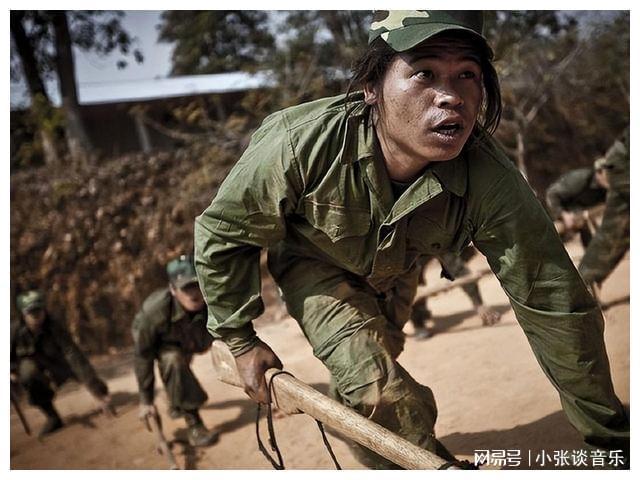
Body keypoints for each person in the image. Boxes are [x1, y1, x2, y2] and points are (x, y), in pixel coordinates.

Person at [194, 11, 629, 468]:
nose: (450, 96)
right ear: (371, 86)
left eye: (467, 74)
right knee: (380, 387)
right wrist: (240, 339)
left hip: (398, 274)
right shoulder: (299, 144)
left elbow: (554, 304)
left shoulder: (489, 179)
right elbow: (225, 232)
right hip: (315, 269)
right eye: (423, 73)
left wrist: (612, 444)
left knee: (367, 379)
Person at [132, 254, 219, 447]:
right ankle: (194, 424)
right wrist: (146, 400)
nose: (194, 293)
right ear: (172, 289)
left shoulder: (213, 297)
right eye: (186, 287)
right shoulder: (154, 313)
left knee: (180, 365)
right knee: (173, 361)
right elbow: (143, 355)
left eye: (197, 284)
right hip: (160, 343)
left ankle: (176, 397)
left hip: (190, 340)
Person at [10, 290, 112, 436]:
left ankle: (103, 396)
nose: (37, 315)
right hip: (35, 367)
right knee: (27, 374)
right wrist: (11, 370)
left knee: (84, 374)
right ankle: (52, 417)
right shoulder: (13, 332)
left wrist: (97, 392)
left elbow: (74, 356)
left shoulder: (54, 326)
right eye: (31, 312)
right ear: (23, 315)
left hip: (58, 363)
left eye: (39, 310)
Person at [411, 248, 501, 339]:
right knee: (411, 277)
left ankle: (479, 304)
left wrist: (479, 304)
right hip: (408, 245)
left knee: (457, 260)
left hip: (434, 241)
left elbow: (459, 269)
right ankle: (418, 320)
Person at [578, 127, 629, 289]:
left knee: (618, 230)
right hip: (626, 162)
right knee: (616, 230)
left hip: (622, 161)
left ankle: (581, 285)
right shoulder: (577, 180)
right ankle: (580, 288)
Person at [545, 160, 608, 248]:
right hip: (561, 212)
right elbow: (552, 194)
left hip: (583, 214)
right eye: (608, 174)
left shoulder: (610, 186)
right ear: (598, 173)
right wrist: (563, 214)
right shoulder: (581, 178)